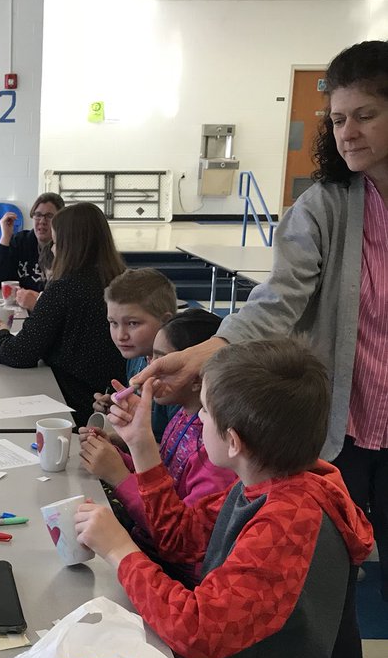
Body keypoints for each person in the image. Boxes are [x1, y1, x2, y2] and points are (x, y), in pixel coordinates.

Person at [137, 39, 388, 608]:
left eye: (366, 115)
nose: (348, 132)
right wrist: (208, 351)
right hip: (343, 428)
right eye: (338, 119)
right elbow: (279, 300)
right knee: (332, 577)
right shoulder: (324, 207)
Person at [74, 338, 373, 658]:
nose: (197, 417)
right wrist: (140, 444)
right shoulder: (267, 482)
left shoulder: (287, 522)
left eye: (205, 412)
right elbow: (181, 538)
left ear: (233, 441)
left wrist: (121, 552)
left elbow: (197, 632)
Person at [80, 310, 236, 582]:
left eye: (161, 362)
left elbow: (178, 537)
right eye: (150, 358)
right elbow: (163, 477)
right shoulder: (184, 414)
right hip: (146, 546)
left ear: (197, 377)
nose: (147, 370)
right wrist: (118, 455)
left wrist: (119, 476)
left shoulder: (216, 450)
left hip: (172, 574)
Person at [0, 202, 126, 427]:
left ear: (69, 246)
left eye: (56, 242)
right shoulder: (121, 280)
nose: (52, 249)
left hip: (74, 403)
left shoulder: (65, 288)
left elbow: (21, 353)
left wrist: (0, 334)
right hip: (112, 400)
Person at [95, 267, 178, 441]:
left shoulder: (177, 378)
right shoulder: (137, 357)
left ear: (166, 321)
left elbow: (176, 452)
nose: (121, 336)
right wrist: (119, 406)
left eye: (133, 323)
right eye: (113, 323)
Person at [0, 192, 64, 311]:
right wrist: (5, 237)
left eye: (49, 216)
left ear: (61, 220)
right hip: (20, 312)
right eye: (38, 215)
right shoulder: (20, 241)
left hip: (47, 313)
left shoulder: (66, 250)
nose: (42, 221)